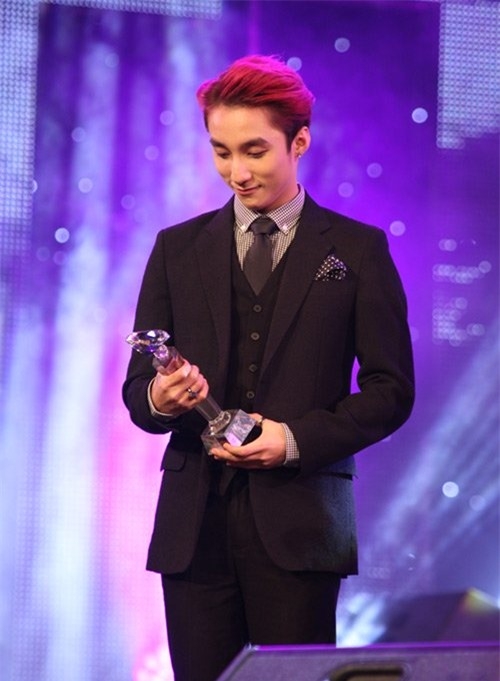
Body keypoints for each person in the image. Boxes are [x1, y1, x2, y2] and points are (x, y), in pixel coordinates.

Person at [123, 55, 415, 681]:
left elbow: (391, 390)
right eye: (221, 151)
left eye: (254, 151)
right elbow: (137, 392)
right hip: (193, 528)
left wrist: (294, 440)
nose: (237, 171)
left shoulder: (357, 251)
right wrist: (160, 398)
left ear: (299, 141)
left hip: (301, 524)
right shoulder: (176, 248)